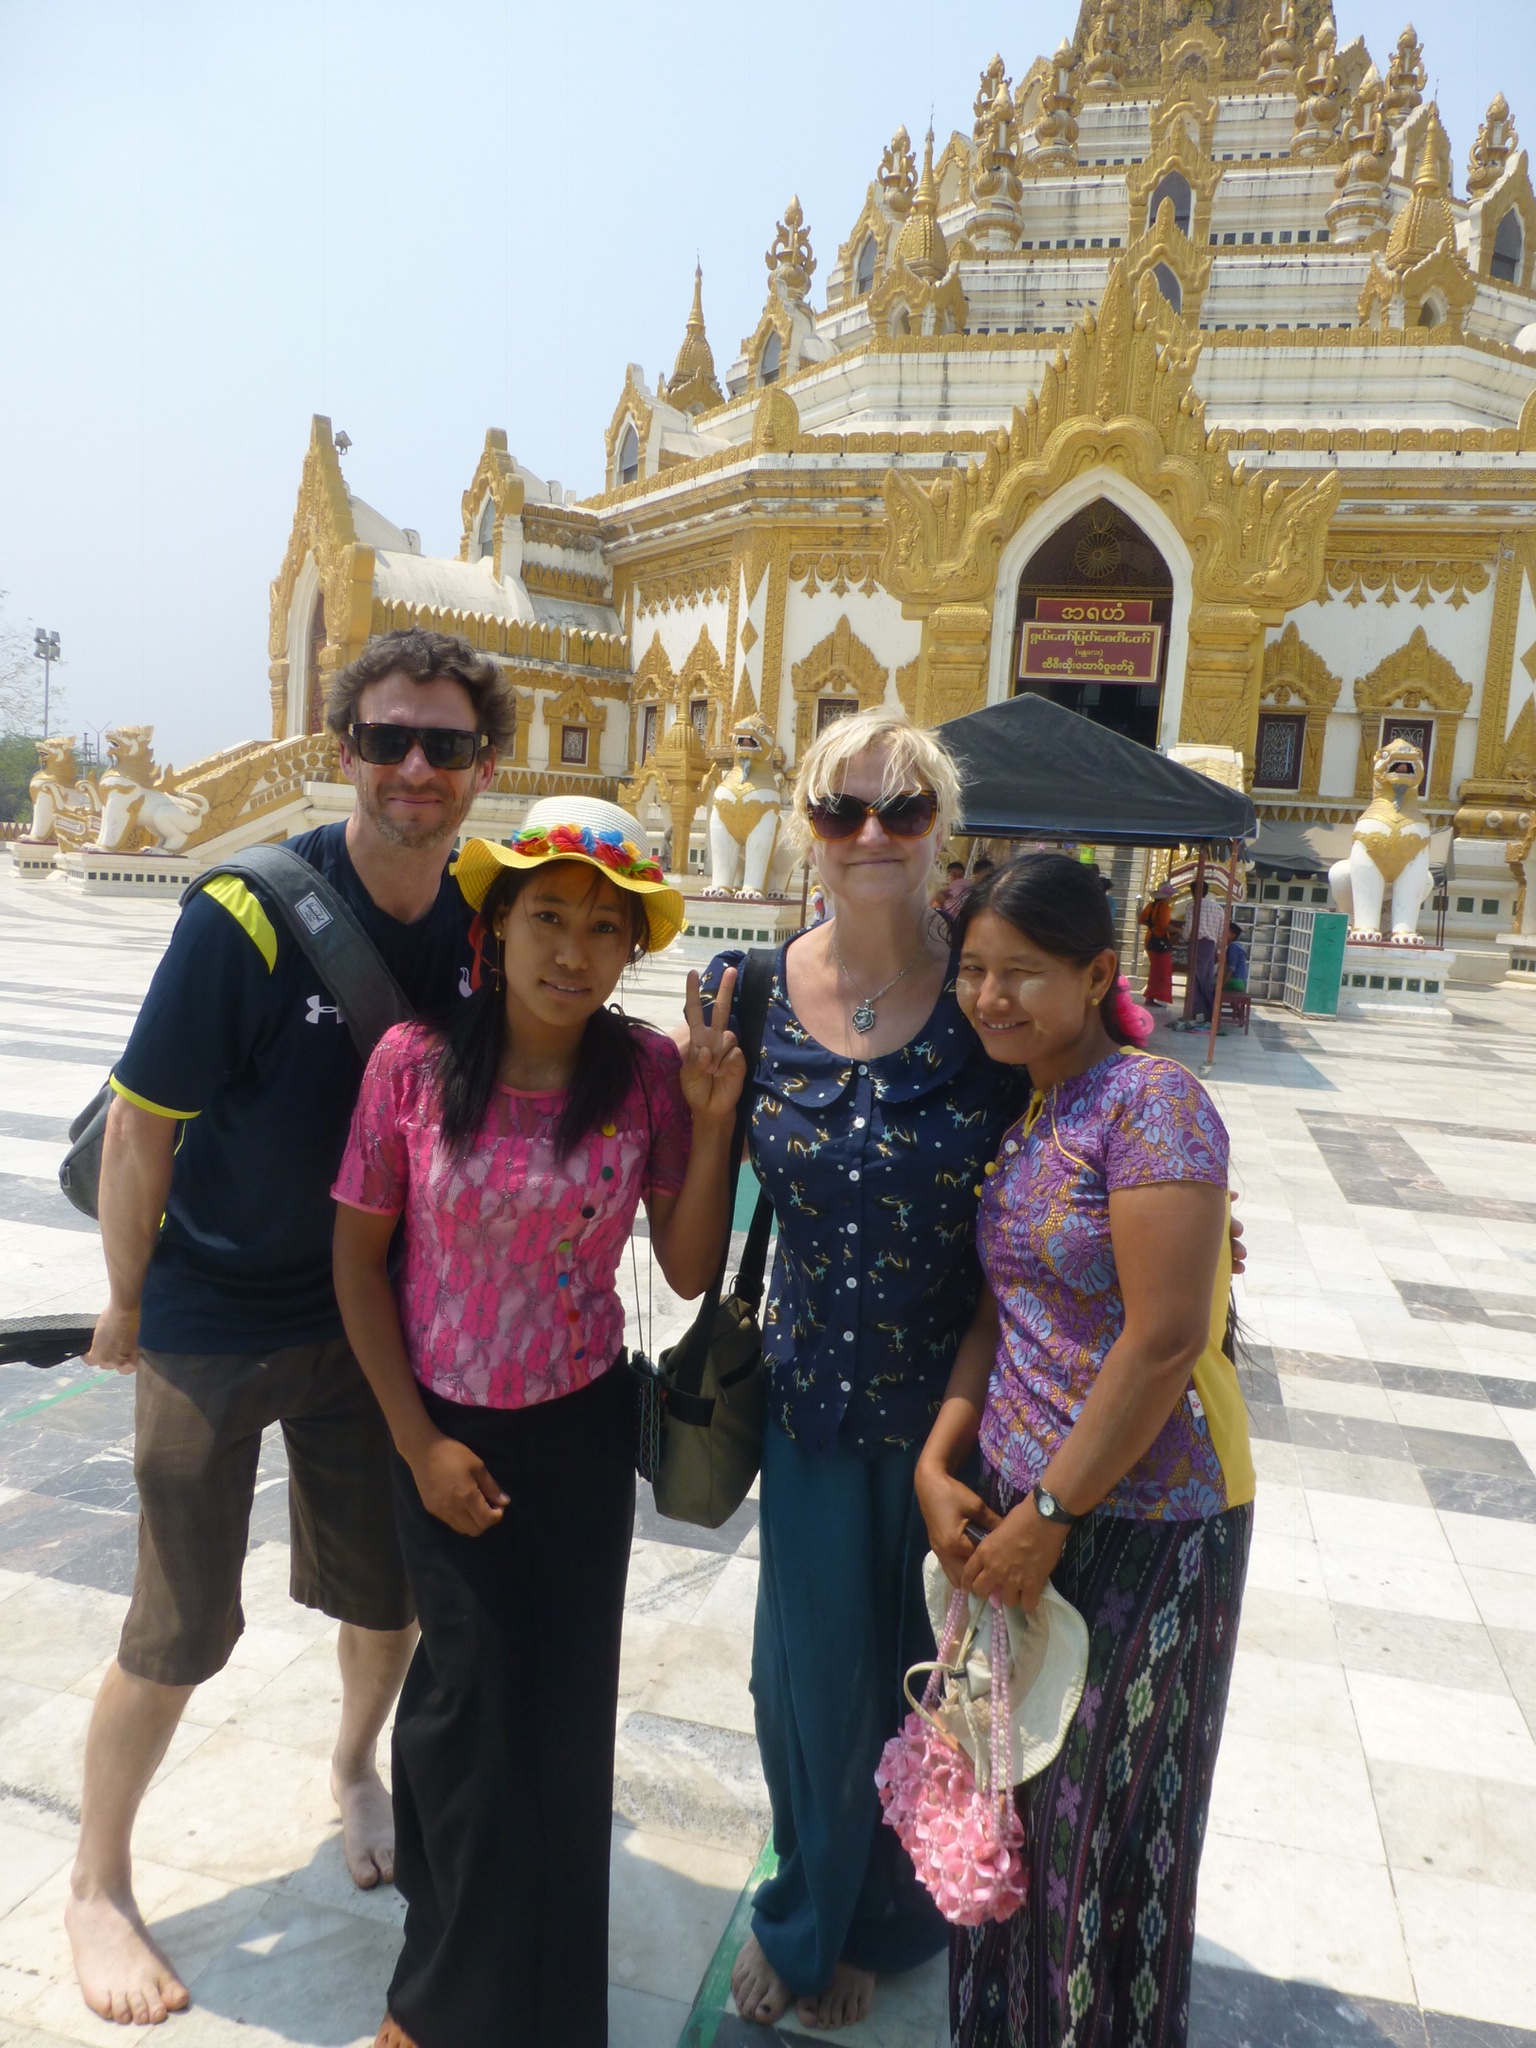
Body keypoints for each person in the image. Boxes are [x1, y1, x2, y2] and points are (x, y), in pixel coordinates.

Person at [704, 716, 1247, 2036]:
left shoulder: (986, 994)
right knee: (806, 1687)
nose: (871, 833)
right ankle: (809, 1907)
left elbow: (1110, 1158)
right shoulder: (753, 990)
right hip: (819, 1395)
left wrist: (1196, 1237)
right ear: (804, 825)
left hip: (983, 1424)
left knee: (955, 1690)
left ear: (941, 826)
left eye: (903, 810)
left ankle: (897, 1924)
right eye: (842, 809)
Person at [68, 628, 508, 2028]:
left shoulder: (483, 921)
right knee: (180, 1620)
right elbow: (140, 1127)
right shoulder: (246, 915)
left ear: (482, 764)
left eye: (444, 743)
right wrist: (127, 1298)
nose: (415, 766)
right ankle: (96, 1878)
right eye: (388, 739)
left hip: (373, 1325)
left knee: (383, 1597)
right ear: (345, 752)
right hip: (212, 1310)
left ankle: (353, 1764)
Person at [331, 800, 744, 2048]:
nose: (573, 949)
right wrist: (417, 1443)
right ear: (498, 923)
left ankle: (555, 2011)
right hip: (440, 1427)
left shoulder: (648, 1074)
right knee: (464, 1716)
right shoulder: (412, 1063)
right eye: (549, 915)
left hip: (577, 1432)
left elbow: (686, 1267)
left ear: (631, 950)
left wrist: (715, 1118)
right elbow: (356, 1261)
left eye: (605, 928)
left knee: (559, 1726)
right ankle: (430, 2000)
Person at [914, 852, 1254, 2048]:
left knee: (1102, 1836)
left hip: (1148, 1522)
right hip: (1016, 1504)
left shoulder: (1152, 1104)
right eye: (974, 970)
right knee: (1005, 1801)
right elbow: (1001, 1309)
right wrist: (939, 1462)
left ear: (1099, 972)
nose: (991, 996)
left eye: (1022, 971)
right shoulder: (1033, 1111)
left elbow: (1164, 1339)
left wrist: (1048, 1515)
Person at [1138, 884, 1175, 1007]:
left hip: (1150, 939)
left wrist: (1152, 925)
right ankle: (1155, 996)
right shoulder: (1164, 907)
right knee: (1163, 971)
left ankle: (1151, 996)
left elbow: (1140, 920)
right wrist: (1178, 930)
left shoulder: (1151, 906)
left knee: (1155, 970)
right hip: (1160, 941)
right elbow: (1165, 926)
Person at [1224, 921, 1249, 993]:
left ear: (1233, 935)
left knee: (1211, 982)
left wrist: (1221, 985)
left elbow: (1231, 969)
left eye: (1226, 931)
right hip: (1242, 982)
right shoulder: (1239, 946)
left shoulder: (1232, 946)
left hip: (1236, 982)